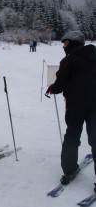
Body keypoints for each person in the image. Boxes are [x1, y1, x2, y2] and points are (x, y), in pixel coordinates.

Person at [45, 31, 96, 190]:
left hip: (75, 105)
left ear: (74, 42)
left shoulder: (69, 60)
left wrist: (51, 89)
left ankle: (69, 168)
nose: (63, 46)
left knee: (72, 136)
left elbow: (59, 84)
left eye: (65, 43)